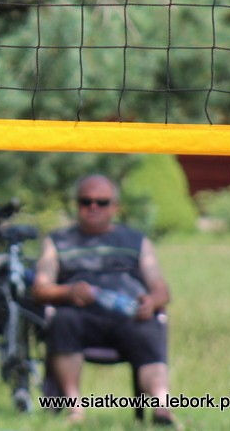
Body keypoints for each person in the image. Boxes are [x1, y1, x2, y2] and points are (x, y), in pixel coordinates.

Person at [31, 174, 176, 426]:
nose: (93, 207)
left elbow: (162, 291)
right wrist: (68, 292)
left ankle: (161, 408)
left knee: (150, 328)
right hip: (81, 316)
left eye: (102, 202)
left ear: (115, 207)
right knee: (63, 321)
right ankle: (75, 410)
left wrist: (151, 302)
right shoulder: (58, 241)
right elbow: (40, 289)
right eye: (85, 201)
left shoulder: (137, 241)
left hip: (129, 317)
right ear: (76, 204)